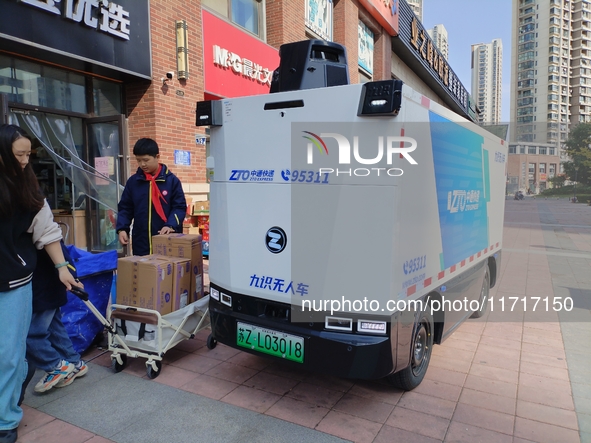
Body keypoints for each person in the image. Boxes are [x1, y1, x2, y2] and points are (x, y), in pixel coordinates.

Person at [0, 124, 81, 443]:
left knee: (8, 353)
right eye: (18, 154)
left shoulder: (29, 190)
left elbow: (47, 232)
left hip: (16, 281)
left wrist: (63, 268)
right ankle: (19, 377)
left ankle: (6, 420)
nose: (24, 161)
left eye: (27, 155)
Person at [26, 240, 89, 394]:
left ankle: (56, 366)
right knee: (55, 327)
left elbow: (56, 245)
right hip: (50, 284)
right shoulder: (41, 221)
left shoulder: (33, 219)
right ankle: (74, 362)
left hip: (42, 286)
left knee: (31, 334)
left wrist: (70, 274)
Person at [116, 138, 187, 256]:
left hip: (166, 239)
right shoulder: (133, 182)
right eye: (138, 160)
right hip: (141, 241)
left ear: (157, 157)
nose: (142, 164)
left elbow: (179, 207)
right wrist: (122, 228)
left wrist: (170, 225)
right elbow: (125, 208)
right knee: (144, 272)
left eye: (146, 160)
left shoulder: (171, 181)